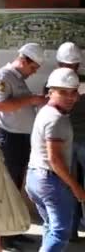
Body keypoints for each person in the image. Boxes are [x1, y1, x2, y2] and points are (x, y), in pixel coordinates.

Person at [0, 42, 47, 249]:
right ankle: (4, 237)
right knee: (8, 187)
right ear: (23, 60)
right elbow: (0, 105)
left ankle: (13, 232)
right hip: (9, 139)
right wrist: (31, 100)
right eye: (32, 68)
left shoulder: (17, 78)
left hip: (20, 139)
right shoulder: (3, 76)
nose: (33, 72)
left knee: (16, 186)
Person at [26, 68, 85, 252]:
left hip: (36, 177)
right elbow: (55, 159)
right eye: (63, 92)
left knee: (50, 226)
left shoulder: (46, 111)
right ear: (50, 92)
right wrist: (76, 188)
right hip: (50, 181)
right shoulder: (57, 119)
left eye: (73, 92)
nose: (70, 97)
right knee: (60, 232)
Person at [54, 42, 85, 240]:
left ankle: (71, 231)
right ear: (78, 64)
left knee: (68, 185)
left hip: (64, 143)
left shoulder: (53, 83)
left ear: (58, 63)